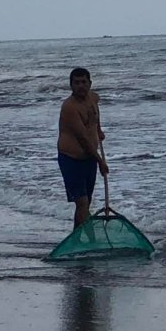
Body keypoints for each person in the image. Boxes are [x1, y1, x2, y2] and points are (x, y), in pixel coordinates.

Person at [57, 67, 109, 230]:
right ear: (71, 85)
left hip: (89, 159)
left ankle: (76, 236)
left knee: (85, 203)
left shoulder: (92, 97)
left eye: (84, 82)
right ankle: (90, 239)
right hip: (71, 159)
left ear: (90, 83)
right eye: (76, 83)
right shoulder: (69, 107)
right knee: (82, 202)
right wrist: (100, 162)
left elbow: (95, 110)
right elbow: (83, 139)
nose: (80, 86)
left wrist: (98, 129)